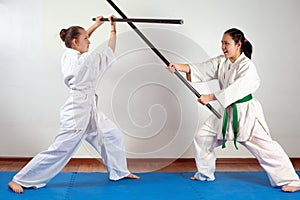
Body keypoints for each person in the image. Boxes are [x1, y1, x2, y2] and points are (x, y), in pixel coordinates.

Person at [8, 15, 139, 194]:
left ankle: (119, 171)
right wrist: (112, 29)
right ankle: (20, 179)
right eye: (86, 39)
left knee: (111, 134)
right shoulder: (85, 60)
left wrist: (96, 25)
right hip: (77, 112)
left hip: (88, 107)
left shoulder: (69, 54)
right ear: (76, 42)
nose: (89, 41)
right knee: (60, 150)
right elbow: (109, 52)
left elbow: (79, 40)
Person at [168, 28, 300, 193]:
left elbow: (237, 89)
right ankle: (205, 174)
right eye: (222, 43)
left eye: (226, 43)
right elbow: (203, 68)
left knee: (266, 148)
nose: (223, 46)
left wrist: (210, 97)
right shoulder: (223, 61)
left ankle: (291, 180)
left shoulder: (247, 66)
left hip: (245, 113)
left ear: (238, 45)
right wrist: (178, 66)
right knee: (202, 137)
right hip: (227, 111)